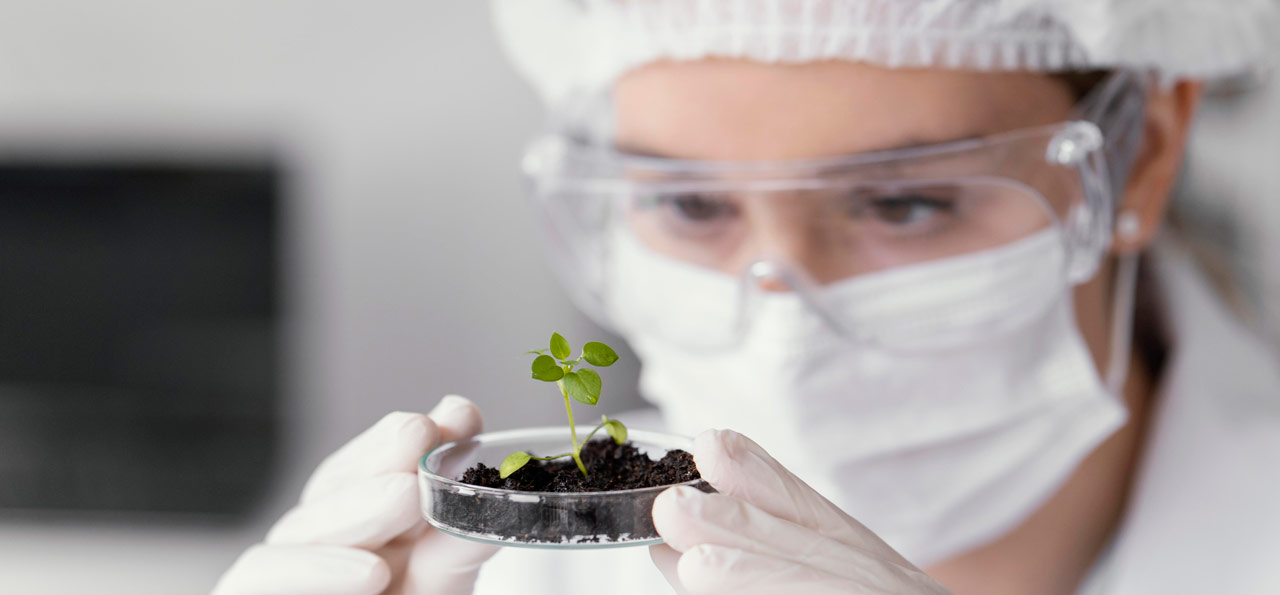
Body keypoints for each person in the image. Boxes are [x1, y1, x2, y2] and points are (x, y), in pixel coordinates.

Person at [213, 1, 1280, 593]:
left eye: (903, 203)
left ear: (1139, 157)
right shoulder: (532, 587)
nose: (782, 322)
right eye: (687, 203)